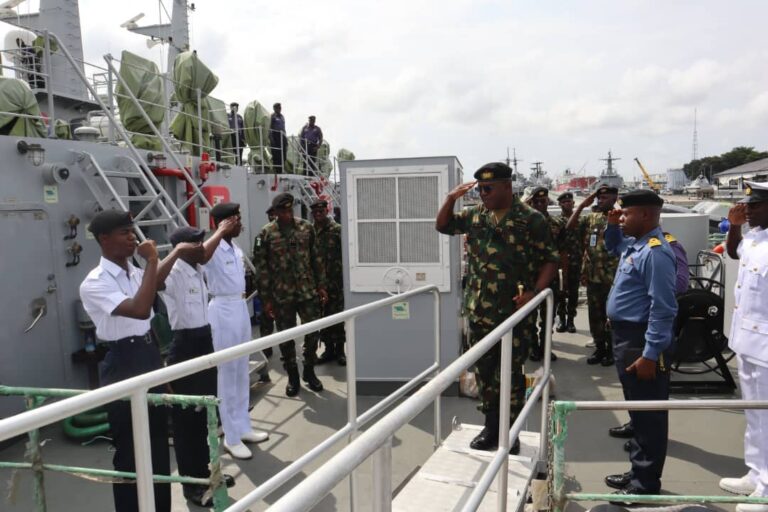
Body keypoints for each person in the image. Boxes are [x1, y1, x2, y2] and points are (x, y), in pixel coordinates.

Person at [436, 162, 558, 454]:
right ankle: (491, 428)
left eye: (488, 189)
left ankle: (509, 433)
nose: (483, 194)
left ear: (507, 186)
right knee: (485, 373)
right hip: (479, 310)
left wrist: (535, 292)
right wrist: (451, 198)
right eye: (479, 189)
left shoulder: (531, 219)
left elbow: (551, 260)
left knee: (510, 375)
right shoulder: (476, 215)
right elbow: (442, 226)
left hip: (513, 313)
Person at [79, 210, 172, 512]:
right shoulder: (95, 282)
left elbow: (148, 322)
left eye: (133, 231)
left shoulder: (134, 271)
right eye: (125, 232)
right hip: (123, 362)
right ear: (104, 239)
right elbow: (140, 309)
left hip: (147, 355)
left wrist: (162, 371)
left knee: (157, 446)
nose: (133, 237)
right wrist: (153, 262)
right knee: (130, 453)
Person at [602, 190, 678, 501]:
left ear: (645, 215)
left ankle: (646, 485)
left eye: (625, 214)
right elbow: (612, 246)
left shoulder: (656, 253)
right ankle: (638, 471)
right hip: (626, 337)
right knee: (638, 411)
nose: (620, 218)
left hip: (641, 340)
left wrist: (650, 354)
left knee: (649, 415)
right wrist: (610, 226)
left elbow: (663, 309)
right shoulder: (636, 244)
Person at [159, 226, 237, 506]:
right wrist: (175, 254)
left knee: (205, 414)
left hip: (204, 341)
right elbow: (155, 281)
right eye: (197, 243)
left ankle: (208, 473)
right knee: (186, 421)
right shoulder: (174, 272)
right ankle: (191, 484)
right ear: (183, 248)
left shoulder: (198, 270)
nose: (203, 247)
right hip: (185, 346)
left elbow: (207, 253)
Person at [205, 202, 269, 460]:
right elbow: (201, 256)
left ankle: (243, 427)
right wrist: (219, 232)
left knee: (242, 368)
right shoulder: (213, 246)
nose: (240, 224)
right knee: (228, 372)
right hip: (222, 309)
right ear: (222, 223)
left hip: (239, 306)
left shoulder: (235, 247)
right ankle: (230, 436)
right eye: (235, 220)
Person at [718, 181, 768, 512]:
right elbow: (735, 252)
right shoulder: (754, 237)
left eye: (755, 204)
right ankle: (757, 473)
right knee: (754, 415)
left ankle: (766, 489)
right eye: (746, 204)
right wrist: (735, 228)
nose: (747, 209)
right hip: (747, 343)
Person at [254, 193, 328, 396]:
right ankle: (293, 376)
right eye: (283, 211)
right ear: (275, 212)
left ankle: (309, 371)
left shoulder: (306, 228)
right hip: (281, 295)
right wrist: (266, 299)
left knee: (312, 333)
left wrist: (321, 286)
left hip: (307, 292)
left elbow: (316, 259)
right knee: (286, 337)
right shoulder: (265, 234)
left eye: (290, 210)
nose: (287, 214)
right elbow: (262, 270)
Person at [566, 183, 620, 366]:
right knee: (595, 315)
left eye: (605, 198)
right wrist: (581, 206)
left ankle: (612, 351)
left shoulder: (621, 218)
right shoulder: (591, 218)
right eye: (599, 197)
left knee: (611, 315)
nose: (600, 200)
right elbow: (569, 226)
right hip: (593, 276)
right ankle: (600, 348)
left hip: (613, 278)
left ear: (615, 199)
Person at [528, 186, 563, 361]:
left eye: (543, 201)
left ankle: (545, 347)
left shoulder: (556, 223)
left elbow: (562, 250)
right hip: (530, 276)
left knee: (549, 315)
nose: (541, 204)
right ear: (531, 203)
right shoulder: (524, 222)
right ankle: (533, 347)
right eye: (536, 202)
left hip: (550, 276)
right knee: (530, 316)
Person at [311, 199, 347, 366]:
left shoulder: (337, 230)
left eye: (321, 211)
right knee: (323, 317)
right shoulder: (310, 231)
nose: (318, 214)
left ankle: (340, 350)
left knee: (338, 317)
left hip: (336, 281)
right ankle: (328, 350)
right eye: (315, 212)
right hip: (318, 284)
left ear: (326, 211)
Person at [556, 192, 581, 333]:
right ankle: (561, 319)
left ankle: (571, 320)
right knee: (561, 292)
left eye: (569, 201)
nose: (567, 204)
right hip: (560, 263)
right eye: (564, 202)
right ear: (560, 204)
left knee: (573, 292)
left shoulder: (580, 221)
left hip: (575, 262)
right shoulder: (557, 221)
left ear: (573, 203)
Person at [255, 206, 278, 357]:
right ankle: (266, 347)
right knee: (266, 318)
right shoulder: (262, 235)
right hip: (268, 284)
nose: (273, 218)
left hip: (286, 285)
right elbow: (259, 260)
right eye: (270, 215)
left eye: (275, 215)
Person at [270, 103, 287, 173]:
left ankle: (282, 168)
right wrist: (271, 139)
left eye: (280, 107)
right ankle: (277, 170)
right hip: (275, 135)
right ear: (274, 108)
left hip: (282, 135)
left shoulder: (282, 117)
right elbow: (270, 128)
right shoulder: (272, 116)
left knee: (283, 153)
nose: (279, 109)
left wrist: (285, 137)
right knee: (276, 154)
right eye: (278, 108)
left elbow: (284, 127)